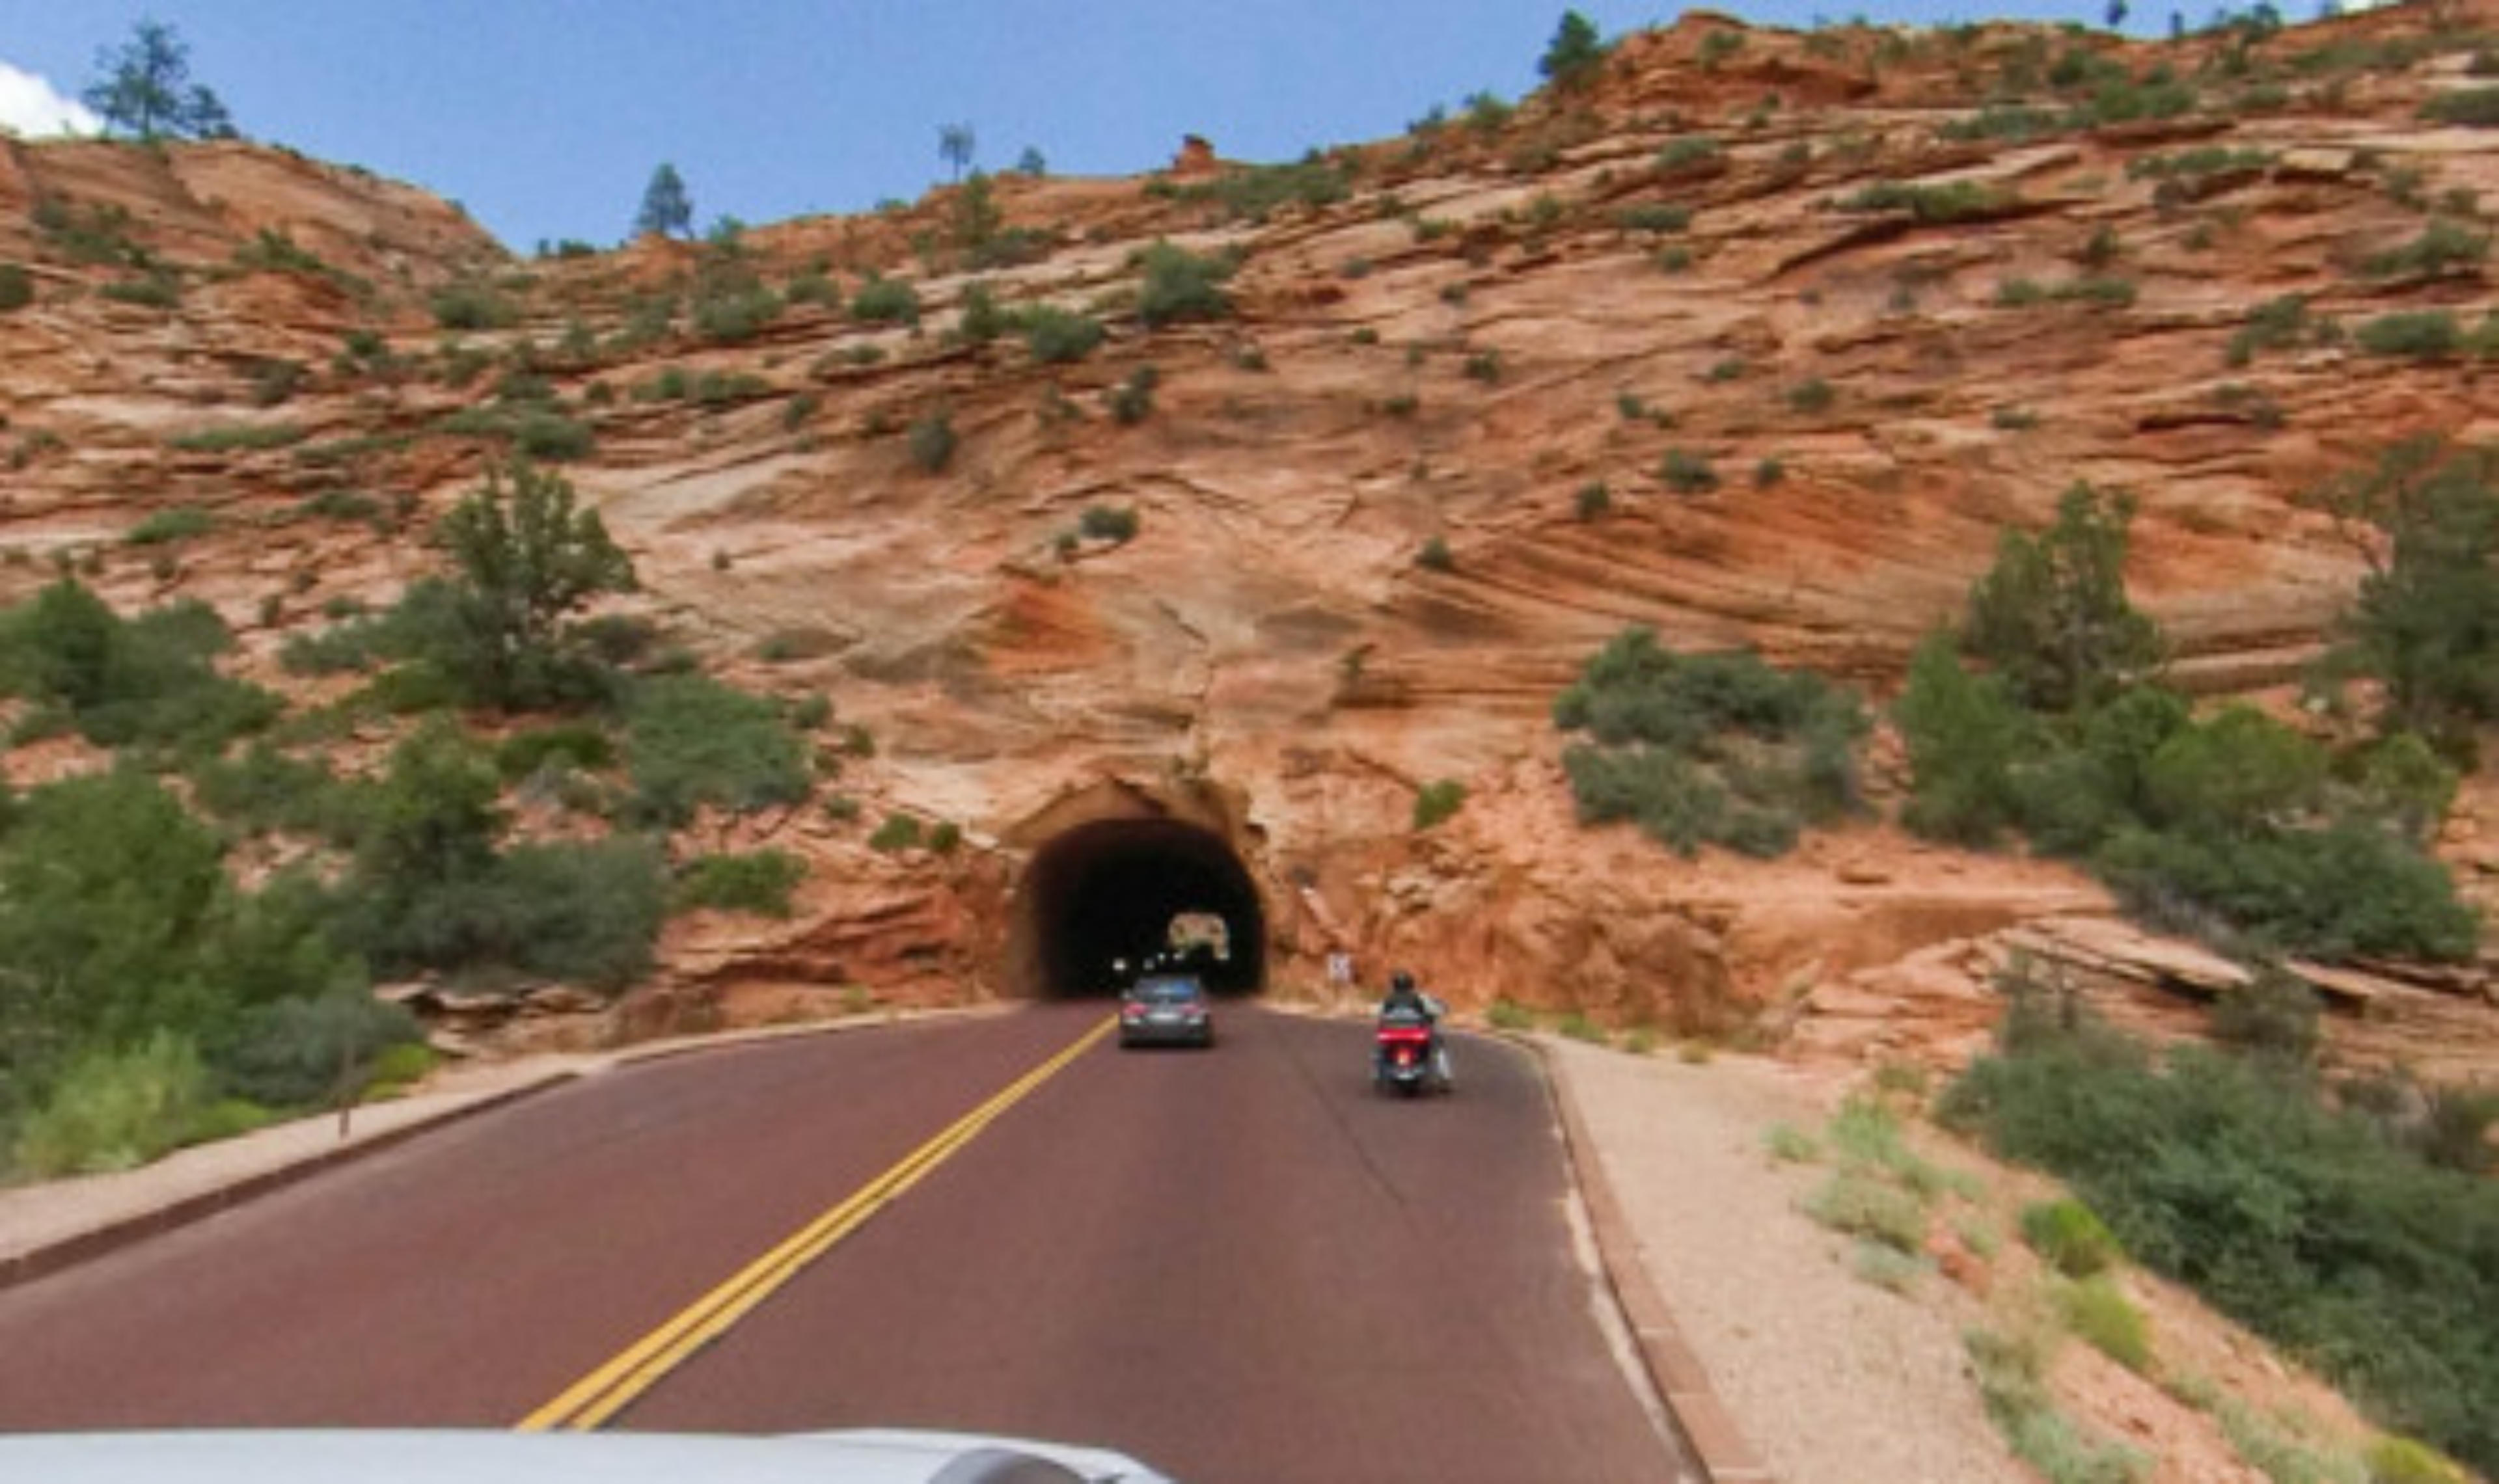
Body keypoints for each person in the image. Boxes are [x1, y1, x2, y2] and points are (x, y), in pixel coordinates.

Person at [1378, 970, 1453, 1089]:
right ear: (1411, 984)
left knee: (1380, 1050)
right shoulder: (1419, 998)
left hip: (1392, 1036)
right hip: (1416, 1035)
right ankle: (1445, 1076)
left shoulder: (1388, 999)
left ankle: (1379, 1075)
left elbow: (1380, 1014)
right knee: (1438, 1044)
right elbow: (1435, 1009)